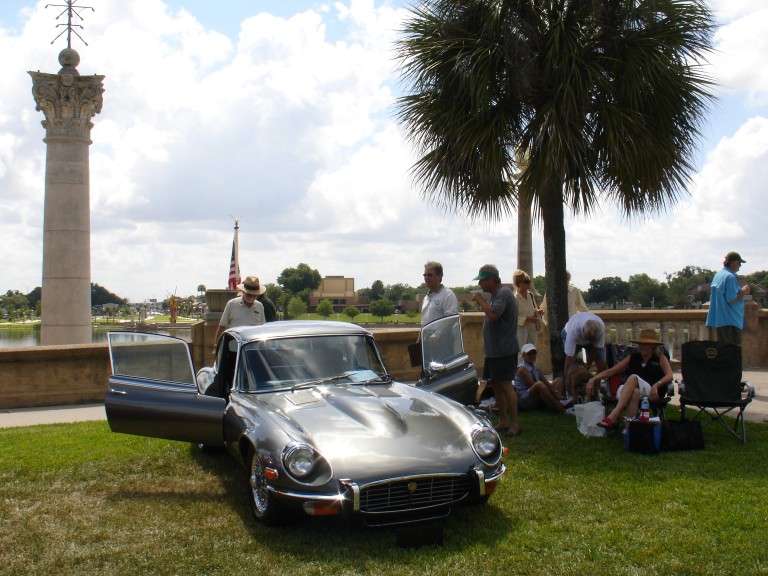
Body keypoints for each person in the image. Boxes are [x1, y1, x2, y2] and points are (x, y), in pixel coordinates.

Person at [586, 329, 673, 430]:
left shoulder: (661, 359)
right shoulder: (633, 357)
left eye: (646, 344)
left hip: (650, 393)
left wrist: (657, 385)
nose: (643, 346)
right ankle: (628, 433)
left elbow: (669, 375)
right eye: (641, 344)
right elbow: (612, 371)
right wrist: (593, 379)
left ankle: (613, 417)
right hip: (626, 391)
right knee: (635, 392)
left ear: (653, 346)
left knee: (633, 377)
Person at [472, 264, 521, 436]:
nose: (480, 285)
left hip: (504, 350)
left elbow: (493, 315)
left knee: (506, 386)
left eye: (482, 281)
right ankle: (503, 421)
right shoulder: (494, 296)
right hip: (494, 351)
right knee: (497, 386)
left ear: (491, 279)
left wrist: (480, 300)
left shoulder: (503, 293)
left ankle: (514, 425)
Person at [706, 251, 751, 347]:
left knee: (723, 353)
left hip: (720, 321)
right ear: (733, 263)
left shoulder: (718, 275)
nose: (740, 266)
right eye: (739, 263)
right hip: (731, 321)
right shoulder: (730, 277)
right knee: (733, 353)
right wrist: (743, 291)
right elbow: (732, 299)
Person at [514, 343, 571, 413]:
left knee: (558, 381)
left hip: (534, 395)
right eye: (529, 353)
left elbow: (547, 384)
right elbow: (534, 385)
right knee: (539, 385)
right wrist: (552, 393)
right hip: (524, 399)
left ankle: (555, 403)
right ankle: (559, 407)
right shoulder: (522, 369)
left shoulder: (536, 368)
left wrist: (555, 392)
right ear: (523, 355)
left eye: (534, 353)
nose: (532, 355)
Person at [215, 276, 266, 342]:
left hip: (254, 346)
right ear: (243, 292)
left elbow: (262, 328)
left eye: (254, 295)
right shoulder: (231, 304)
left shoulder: (260, 306)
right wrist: (216, 346)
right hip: (234, 346)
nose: (251, 297)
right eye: (249, 294)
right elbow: (222, 326)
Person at [421, 261, 459, 326]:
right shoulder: (426, 298)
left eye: (430, 275)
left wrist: (437, 334)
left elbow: (451, 320)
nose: (426, 277)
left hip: (442, 336)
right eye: (425, 275)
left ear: (440, 277)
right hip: (427, 335)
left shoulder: (447, 295)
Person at [512, 269, 542, 347]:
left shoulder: (531, 295)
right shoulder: (515, 298)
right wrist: (527, 319)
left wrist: (538, 312)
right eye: (526, 282)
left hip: (531, 327)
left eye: (529, 281)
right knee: (521, 352)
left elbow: (532, 310)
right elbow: (513, 317)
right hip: (520, 329)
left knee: (532, 350)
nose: (529, 284)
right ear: (519, 284)